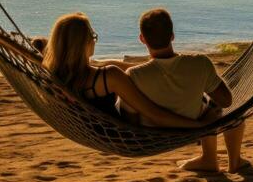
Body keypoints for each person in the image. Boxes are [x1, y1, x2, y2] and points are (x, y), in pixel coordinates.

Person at [42, 12, 221, 129]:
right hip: (126, 136)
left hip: (89, 130)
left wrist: (154, 65)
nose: (95, 40)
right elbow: (154, 114)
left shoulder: (53, 76)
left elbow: (99, 68)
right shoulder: (111, 76)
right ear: (84, 43)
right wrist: (199, 125)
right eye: (93, 36)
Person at [124, 8, 246, 173]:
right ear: (172, 35)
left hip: (153, 134)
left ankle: (209, 160)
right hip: (195, 127)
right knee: (224, 106)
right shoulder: (200, 63)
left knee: (208, 104)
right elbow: (227, 100)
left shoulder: (134, 75)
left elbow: (129, 116)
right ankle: (232, 161)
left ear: (142, 39)